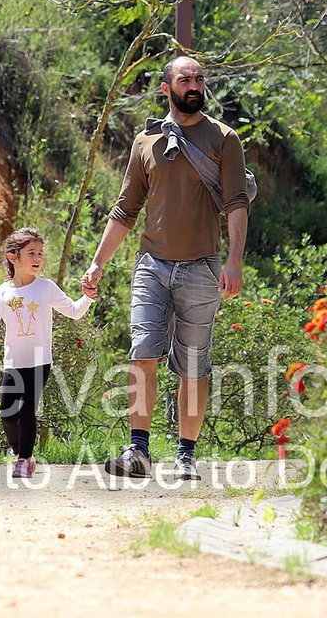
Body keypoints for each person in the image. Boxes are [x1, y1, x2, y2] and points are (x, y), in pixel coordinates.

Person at [82, 56, 249, 481]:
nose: (193, 85)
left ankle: (185, 456)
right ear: (166, 88)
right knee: (143, 352)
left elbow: (236, 204)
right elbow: (125, 210)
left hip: (202, 268)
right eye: (184, 79)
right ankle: (138, 451)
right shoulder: (146, 142)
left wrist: (234, 261)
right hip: (151, 266)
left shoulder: (224, 139)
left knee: (194, 364)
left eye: (198, 78)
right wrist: (97, 263)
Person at [0, 228, 95, 479]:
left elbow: (74, 311)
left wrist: (88, 297)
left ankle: (24, 459)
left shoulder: (46, 288)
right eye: (31, 253)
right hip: (13, 363)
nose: (38, 258)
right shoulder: (2, 293)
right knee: (7, 413)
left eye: (40, 253)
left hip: (39, 362)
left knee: (26, 410)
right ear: (13, 257)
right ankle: (20, 452)